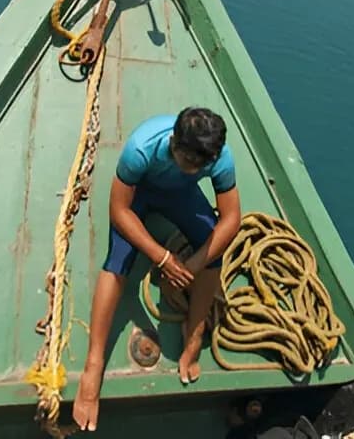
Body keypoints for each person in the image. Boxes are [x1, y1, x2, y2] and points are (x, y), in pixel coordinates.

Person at [72, 106, 241, 432]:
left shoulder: (217, 157)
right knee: (118, 263)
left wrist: (191, 264)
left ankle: (193, 333)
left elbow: (231, 219)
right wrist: (163, 258)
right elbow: (119, 210)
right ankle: (93, 366)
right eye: (190, 163)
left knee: (213, 254)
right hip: (139, 196)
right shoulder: (142, 148)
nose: (196, 171)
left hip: (181, 198)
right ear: (174, 145)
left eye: (202, 166)